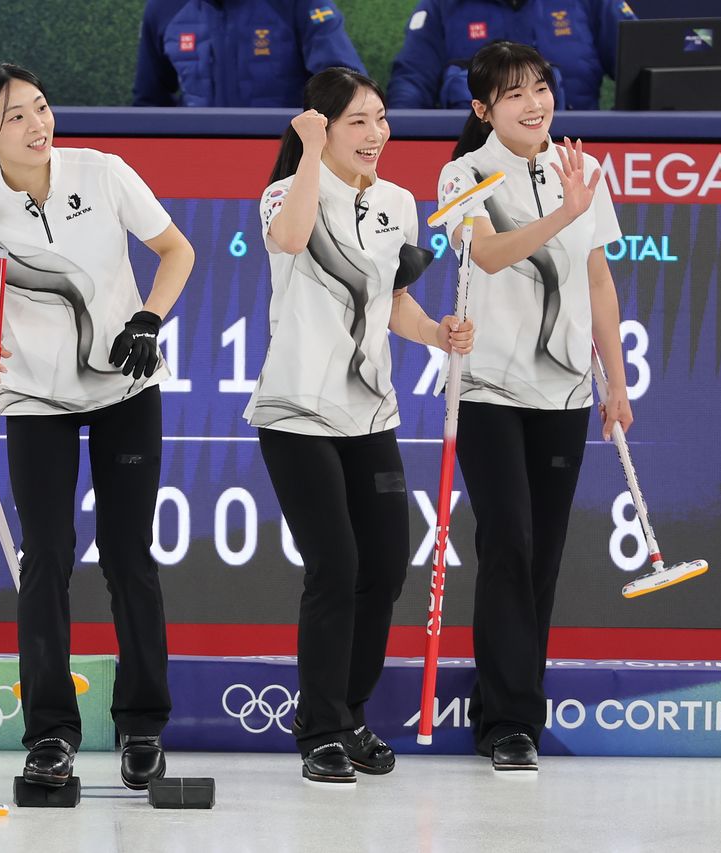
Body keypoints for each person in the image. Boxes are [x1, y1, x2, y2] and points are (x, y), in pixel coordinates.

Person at [0, 64, 195, 791]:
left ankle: (142, 724)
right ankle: (49, 733)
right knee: (44, 561)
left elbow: (177, 250)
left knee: (128, 557)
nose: (37, 124)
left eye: (42, 107)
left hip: (124, 388)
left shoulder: (104, 171)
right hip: (36, 401)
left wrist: (149, 317)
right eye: (16, 117)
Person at [249, 67, 474, 784]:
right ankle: (318, 728)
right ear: (319, 126)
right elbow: (288, 240)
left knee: (381, 567)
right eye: (357, 121)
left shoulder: (400, 204)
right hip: (296, 412)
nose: (376, 133)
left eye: (380, 118)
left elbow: (392, 303)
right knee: (334, 566)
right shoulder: (285, 192)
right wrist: (309, 153)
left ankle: (345, 714)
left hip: (370, 412)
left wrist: (438, 332)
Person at [434, 40, 631, 770]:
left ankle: (508, 704)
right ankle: (509, 723)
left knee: (541, 554)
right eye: (513, 93)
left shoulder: (580, 167)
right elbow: (485, 254)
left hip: (565, 393)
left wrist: (614, 382)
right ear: (483, 109)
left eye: (540, 86)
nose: (534, 102)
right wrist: (563, 213)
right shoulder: (461, 173)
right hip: (488, 388)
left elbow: (598, 280)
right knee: (508, 541)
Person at [387, 0, 636, 110]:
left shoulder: (593, 3)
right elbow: (411, 83)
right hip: (476, 153)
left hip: (574, 150)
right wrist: (401, 138)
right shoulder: (442, 6)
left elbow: (642, 71)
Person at [133, 0, 367, 107]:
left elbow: (346, 87)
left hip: (289, 156)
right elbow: (149, 100)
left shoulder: (301, 4)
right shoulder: (163, 7)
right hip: (198, 158)